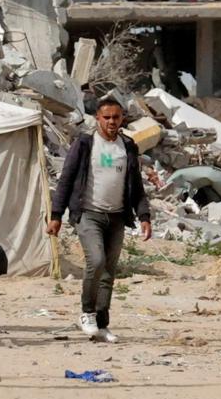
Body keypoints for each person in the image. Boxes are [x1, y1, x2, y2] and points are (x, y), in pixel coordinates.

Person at [47, 97, 151, 344]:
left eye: (116, 117)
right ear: (97, 119)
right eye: (107, 117)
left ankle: (102, 324)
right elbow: (66, 180)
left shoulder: (128, 146)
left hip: (117, 216)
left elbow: (135, 185)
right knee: (96, 260)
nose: (112, 122)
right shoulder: (85, 143)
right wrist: (56, 216)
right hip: (88, 213)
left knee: (108, 271)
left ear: (122, 118)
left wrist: (144, 216)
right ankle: (87, 313)